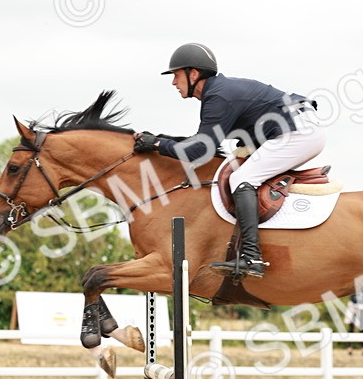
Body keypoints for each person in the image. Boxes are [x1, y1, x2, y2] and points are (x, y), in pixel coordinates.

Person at [132, 43, 325, 280]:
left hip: (297, 132)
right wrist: (160, 141)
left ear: (194, 74)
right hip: (293, 128)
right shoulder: (218, 92)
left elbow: (199, 150)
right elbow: (202, 142)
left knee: (241, 179)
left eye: (176, 75)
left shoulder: (218, 96)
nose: (173, 82)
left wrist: (157, 144)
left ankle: (252, 257)